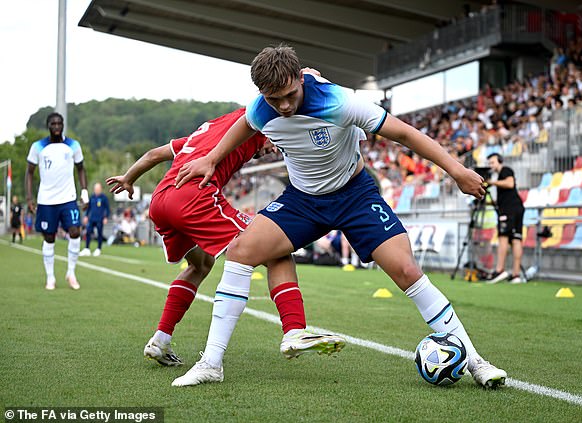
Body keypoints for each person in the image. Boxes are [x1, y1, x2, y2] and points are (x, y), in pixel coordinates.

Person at [173, 45, 507, 388]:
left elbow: (405, 133)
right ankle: (211, 362)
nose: (284, 106)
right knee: (241, 251)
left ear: (300, 78)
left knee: (407, 270)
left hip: (355, 196)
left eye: (290, 95)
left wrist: (457, 171)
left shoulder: (340, 101)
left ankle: (476, 361)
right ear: (263, 94)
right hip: (302, 200)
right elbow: (244, 125)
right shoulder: (262, 109)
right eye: (275, 100)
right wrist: (212, 158)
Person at [106, 106, 344, 370]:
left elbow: (154, 154)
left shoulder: (203, 132)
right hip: (194, 198)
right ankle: (295, 330)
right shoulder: (256, 120)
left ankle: (161, 339)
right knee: (275, 250)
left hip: (161, 202)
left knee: (201, 265)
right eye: (273, 141)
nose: (273, 148)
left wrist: (129, 178)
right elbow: (282, 99)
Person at [25, 112, 88, 290]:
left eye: (59, 123)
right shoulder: (38, 147)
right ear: (48, 126)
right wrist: (29, 197)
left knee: (75, 232)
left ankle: (71, 272)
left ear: (63, 125)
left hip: (68, 198)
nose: (56, 126)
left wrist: (84, 192)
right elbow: (29, 173)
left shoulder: (73, 145)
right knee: (49, 237)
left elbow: (81, 169)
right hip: (46, 200)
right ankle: (50, 277)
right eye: (53, 124)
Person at [485, 153, 525, 284]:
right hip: (516, 208)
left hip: (509, 210)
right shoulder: (501, 175)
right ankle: (516, 275)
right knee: (516, 239)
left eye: (492, 162)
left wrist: (491, 182)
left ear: (499, 161)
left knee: (503, 237)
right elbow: (504, 196)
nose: (490, 165)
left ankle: (499, 270)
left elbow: (510, 184)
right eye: (489, 163)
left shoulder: (505, 170)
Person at [80, 182, 110, 257]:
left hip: (100, 219)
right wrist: (86, 216)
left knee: (99, 234)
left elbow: (107, 208)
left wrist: (106, 217)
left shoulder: (104, 198)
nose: (96, 190)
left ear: (100, 189)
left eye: (98, 189)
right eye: (95, 189)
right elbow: (89, 208)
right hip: (92, 218)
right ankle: (87, 249)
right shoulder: (92, 197)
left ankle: (98, 249)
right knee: (88, 232)